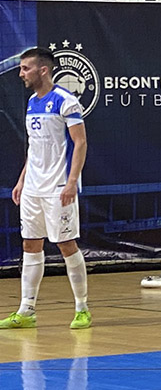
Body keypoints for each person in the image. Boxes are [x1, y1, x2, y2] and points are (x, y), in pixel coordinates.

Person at [3, 47, 90, 330]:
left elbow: (80, 142)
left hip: (58, 186)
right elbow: (34, 147)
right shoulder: (32, 102)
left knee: (66, 244)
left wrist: (72, 181)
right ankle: (26, 310)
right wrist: (22, 179)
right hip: (33, 187)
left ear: (43, 70)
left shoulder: (66, 101)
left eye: (25, 68)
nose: (21, 73)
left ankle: (82, 308)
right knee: (30, 244)